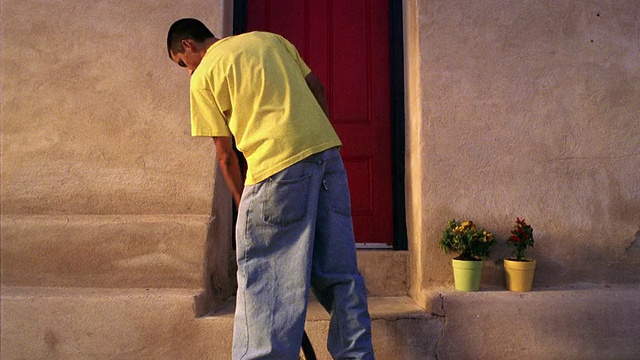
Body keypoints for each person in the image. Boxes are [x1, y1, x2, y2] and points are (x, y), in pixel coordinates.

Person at [167, 18, 375, 360]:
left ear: (187, 46)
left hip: (274, 172)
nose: (186, 71)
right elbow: (318, 90)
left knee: (266, 287)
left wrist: (242, 205)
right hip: (328, 162)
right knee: (341, 277)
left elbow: (226, 156)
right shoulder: (271, 40)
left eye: (181, 63)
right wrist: (313, 148)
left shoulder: (203, 75)